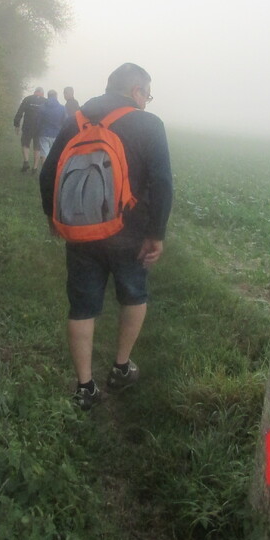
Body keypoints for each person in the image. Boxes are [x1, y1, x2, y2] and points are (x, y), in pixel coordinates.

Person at [39, 63, 173, 410]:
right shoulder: (149, 124)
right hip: (130, 232)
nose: (148, 101)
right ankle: (121, 367)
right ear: (136, 91)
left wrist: (53, 217)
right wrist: (156, 233)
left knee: (82, 305)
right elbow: (162, 183)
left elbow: (48, 174)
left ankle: (84, 387)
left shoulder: (77, 119)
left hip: (81, 230)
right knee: (133, 295)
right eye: (148, 94)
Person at [13, 87, 45, 172]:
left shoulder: (27, 99)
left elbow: (20, 111)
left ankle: (26, 161)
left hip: (28, 126)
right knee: (37, 147)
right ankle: (34, 168)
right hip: (40, 127)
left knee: (25, 144)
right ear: (42, 93)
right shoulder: (45, 101)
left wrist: (17, 124)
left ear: (35, 92)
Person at [37, 89, 66, 164]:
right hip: (56, 134)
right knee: (55, 154)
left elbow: (38, 121)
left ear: (48, 96)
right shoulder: (62, 108)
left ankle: (44, 172)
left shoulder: (42, 107)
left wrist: (38, 130)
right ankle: (53, 172)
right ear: (56, 96)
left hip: (44, 133)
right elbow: (65, 122)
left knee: (44, 153)